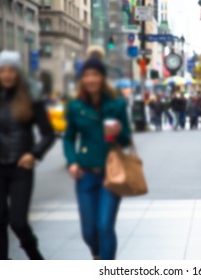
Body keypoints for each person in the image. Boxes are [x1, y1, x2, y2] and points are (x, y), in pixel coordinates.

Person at [0, 51, 55, 259]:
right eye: (2, 70)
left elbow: (49, 134)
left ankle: (35, 257)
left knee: (18, 222)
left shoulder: (30, 96)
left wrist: (34, 154)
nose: (6, 75)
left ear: (17, 72)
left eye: (11, 70)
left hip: (21, 166)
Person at [63, 58, 131, 260]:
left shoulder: (116, 105)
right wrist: (72, 161)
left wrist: (119, 132)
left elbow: (126, 140)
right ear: (82, 79)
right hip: (85, 175)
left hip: (111, 174)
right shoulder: (75, 107)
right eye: (87, 75)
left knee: (104, 226)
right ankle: (96, 254)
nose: (91, 79)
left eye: (95, 74)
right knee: (89, 232)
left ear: (102, 78)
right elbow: (68, 138)